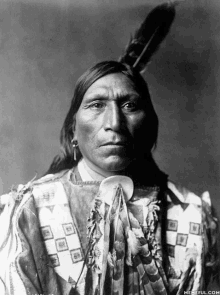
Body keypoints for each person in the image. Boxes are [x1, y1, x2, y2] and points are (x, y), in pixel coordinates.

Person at [0, 4, 219, 295]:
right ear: (73, 130)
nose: (114, 123)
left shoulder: (191, 216)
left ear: (149, 127)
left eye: (129, 105)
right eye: (96, 105)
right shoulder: (29, 213)